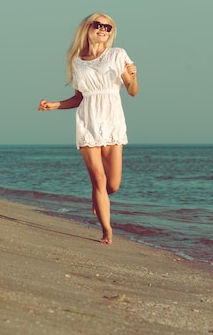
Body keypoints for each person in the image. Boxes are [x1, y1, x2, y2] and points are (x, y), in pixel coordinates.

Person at [38, 13, 138, 244]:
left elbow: (132, 91)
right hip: (87, 121)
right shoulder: (76, 60)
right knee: (99, 181)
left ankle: (97, 198)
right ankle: (107, 232)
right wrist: (54, 105)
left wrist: (132, 77)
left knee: (113, 184)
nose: (103, 29)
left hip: (113, 120)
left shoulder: (117, 55)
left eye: (108, 27)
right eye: (98, 25)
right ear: (87, 28)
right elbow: (78, 98)